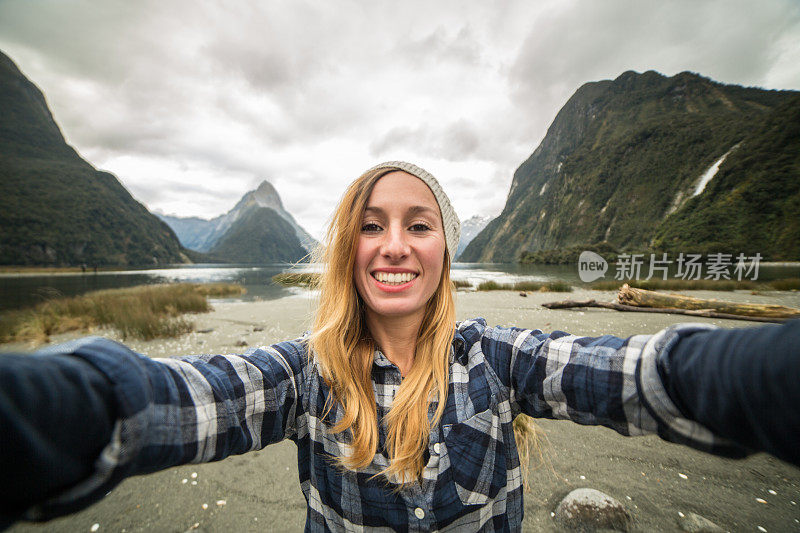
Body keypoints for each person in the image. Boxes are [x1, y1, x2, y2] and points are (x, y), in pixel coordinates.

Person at [1, 161, 799, 532]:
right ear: (350, 247)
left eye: (419, 224)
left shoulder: (497, 358)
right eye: (372, 225)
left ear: (444, 249)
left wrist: (762, 377)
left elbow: (640, 376)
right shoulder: (301, 374)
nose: (394, 244)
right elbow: (171, 401)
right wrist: (51, 412)